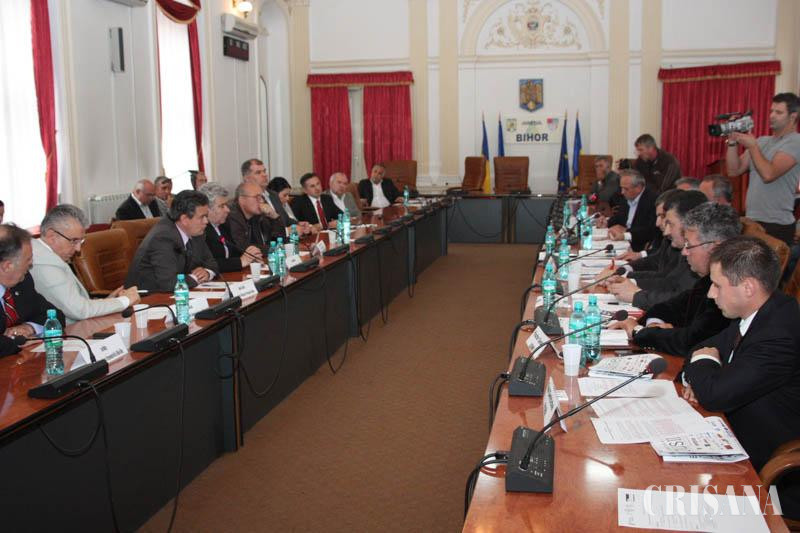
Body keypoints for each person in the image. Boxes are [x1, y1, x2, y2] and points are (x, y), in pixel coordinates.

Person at [683, 236, 800, 515]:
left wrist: (706, 374)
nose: (710, 294)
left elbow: (714, 394)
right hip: (734, 438)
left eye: (717, 285)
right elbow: (699, 350)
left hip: (772, 472)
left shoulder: (779, 334)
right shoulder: (761, 311)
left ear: (748, 287)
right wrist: (702, 374)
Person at [611, 202, 741, 357]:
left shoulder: (731, 287)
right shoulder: (707, 280)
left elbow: (690, 342)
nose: (684, 252)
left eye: (689, 245)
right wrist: (654, 324)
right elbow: (669, 307)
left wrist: (639, 331)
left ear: (714, 248)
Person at [30, 205, 140, 324]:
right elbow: (79, 311)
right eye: (74, 241)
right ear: (52, 236)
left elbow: (78, 304)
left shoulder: (48, 254)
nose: (78, 249)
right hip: (64, 331)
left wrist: (110, 301)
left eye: (81, 241)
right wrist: (125, 300)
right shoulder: (43, 262)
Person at [605, 191, 705, 309]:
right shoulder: (685, 248)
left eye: (669, 223)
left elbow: (682, 300)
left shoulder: (696, 253)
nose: (664, 229)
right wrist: (626, 276)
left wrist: (636, 295)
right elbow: (670, 281)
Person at [726, 92, 800, 245]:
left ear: (793, 116)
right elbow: (734, 170)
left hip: (776, 224)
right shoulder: (762, 141)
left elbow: (768, 174)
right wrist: (732, 141)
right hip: (752, 219)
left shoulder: (796, 142)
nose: (772, 116)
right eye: (771, 111)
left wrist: (753, 146)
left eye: (778, 112)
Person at [124, 190, 218, 292]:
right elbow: (169, 283)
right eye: (202, 217)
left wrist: (207, 272)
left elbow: (212, 263)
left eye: (206, 216)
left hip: (175, 293)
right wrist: (196, 277)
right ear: (184, 219)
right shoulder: (162, 237)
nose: (206, 221)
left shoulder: (196, 231)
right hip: (148, 296)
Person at [0, 224, 64, 356]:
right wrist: (17, 341)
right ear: (7, 266)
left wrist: (29, 328)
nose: (31, 264)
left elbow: (55, 315)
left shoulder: (22, 281)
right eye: (28, 259)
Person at [199, 184, 262, 272]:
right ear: (207, 209)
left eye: (227, 205)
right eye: (222, 206)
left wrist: (250, 256)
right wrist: (240, 261)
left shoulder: (223, 225)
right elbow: (207, 264)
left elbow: (234, 252)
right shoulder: (201, 230)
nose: (227, 210)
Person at [596, 169, 658, 251]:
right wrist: (607, 222)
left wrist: (626, 233)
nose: (622, 192)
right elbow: (619, 217)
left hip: (638, 246)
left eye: (626, 189)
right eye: (621, 188)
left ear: (638, 187)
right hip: (622, 241)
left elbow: (650, 230)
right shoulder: (628, 196)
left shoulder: (653, 201)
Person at [224, 182, 282, 255]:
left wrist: (274, 217)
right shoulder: (232, 216)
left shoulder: (257, 215)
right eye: (257, 197)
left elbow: (279, 239)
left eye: (262, 197)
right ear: (242, 199)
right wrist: (274, 249)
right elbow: (244, 247)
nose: (262, 201)